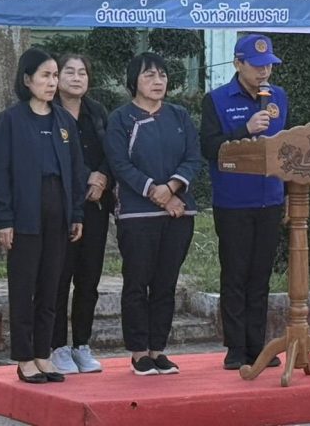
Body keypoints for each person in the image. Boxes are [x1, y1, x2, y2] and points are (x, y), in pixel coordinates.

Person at [0, 48, 86, 384]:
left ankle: (44, 354)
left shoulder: (64, 121)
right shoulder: (10, 120)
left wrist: (76, 213)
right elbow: (0, 172)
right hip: (24, 215)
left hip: (58, 213)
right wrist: (4, 219)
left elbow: (76, 170)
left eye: (55, 76)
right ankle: (24, 357)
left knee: (52, 286)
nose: (52, 82)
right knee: (24, 287)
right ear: (27, 79)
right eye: (45, 75)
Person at [105, 52, 202, 375]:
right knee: (137, 282)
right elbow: (120, 164)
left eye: (162, 75)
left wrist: (172, 188)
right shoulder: (121, 119)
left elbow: (193, 157)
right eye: (149, 75)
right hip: (137, 215)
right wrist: (156, 193)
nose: (158, 81)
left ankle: (158, 349)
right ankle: (139, 352)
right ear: (134, 81)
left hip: (178, 215)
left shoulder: (179, 116)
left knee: (166, 283)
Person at [200, 34, 287, 370]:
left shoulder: (279, 97)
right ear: (238, 64)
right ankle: (235, 347)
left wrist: (287, 194)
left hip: (270, 199)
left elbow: (286, 147)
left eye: (269, 66)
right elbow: (210, 147)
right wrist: (244, 129)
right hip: (233, 201)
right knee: (235, 274)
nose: (264, 72)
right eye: (257, 65)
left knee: (260, 276)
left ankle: (257, 346)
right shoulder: (217, 100)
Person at [50, 54, 112, 375]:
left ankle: (82, 345)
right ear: (57, 77)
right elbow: (56, 158)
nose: (76, 78)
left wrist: (102, 177)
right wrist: (88, 176)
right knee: (60, 278)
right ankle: (57, 346)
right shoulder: (48, 112)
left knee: (89, 279)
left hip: (95, 206)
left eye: (82, 73)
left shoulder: (97, 112)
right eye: (69, 72)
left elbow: (112, 151)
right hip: (61, 208)